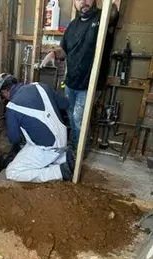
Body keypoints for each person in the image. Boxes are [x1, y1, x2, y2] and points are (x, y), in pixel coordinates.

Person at [40, 0, 119, 155]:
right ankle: (74, 147)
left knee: (79, 119)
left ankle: (80, 152)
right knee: (71, 117)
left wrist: (111, 4)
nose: (83, 2)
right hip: (71, 82)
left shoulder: (102, 18)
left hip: (90, 84)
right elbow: (65, 50)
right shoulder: (72, 25)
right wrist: (53, 53)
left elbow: (114, 13)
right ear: (75, 3)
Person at [0, 73, 74, 183]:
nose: (6, 99)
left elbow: (14, 139)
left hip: (46, 147)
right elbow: (64, 104)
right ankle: (63, 158)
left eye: (3, 97)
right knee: (37, 148)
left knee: (12, 171)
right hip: (63, 138)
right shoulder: (41, 86)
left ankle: (60, 171)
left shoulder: (12, 107)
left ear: (4, 92)